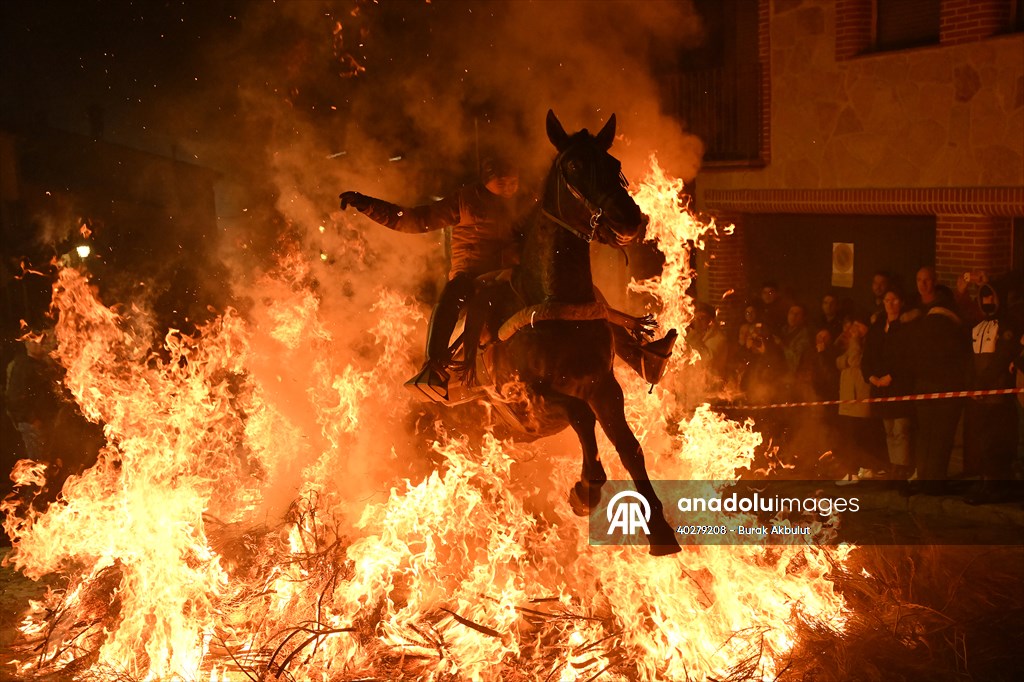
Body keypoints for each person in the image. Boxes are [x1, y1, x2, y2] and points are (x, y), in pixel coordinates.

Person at [340, 156, 527, 398]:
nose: (510, 186)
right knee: (451, 297)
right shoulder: (465, 200)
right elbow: (417, 220)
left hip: (511, 275)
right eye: (503, 181)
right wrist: (367, 205)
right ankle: (434, 367)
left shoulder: (524, 204)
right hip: (471, 275)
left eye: (514, 181)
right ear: (487, 179)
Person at [963, 282, 1020, 503]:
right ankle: (985, 481)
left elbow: (1001, 358)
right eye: (984, 298)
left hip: (997, 396)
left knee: (995, 441)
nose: (987, 302)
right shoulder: (977, 327)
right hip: (980, 397)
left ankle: (996, 485)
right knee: (981, 440)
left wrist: (982, 383)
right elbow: (970, 359)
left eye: (991, 297)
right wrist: (972, 385)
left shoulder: (1006, 326)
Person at [910, 285, 972, 485]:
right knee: (941, 436)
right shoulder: (954, 328)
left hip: (923, 388)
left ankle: (922, 476)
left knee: (925, 435)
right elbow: (963, 358)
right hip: (947, 390)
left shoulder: (923, 325)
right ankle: (936, 480)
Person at [863, 288, 915, 480]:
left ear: (901, 302)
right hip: (879, 385)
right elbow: (868, 353)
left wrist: (891, 375)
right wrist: (871, 376)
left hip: (898, 385)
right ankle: (894, 463)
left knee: (900, 428)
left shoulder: (905, 326)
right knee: (888, 428)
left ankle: (902, 465)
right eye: (887, 300)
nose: (890, 304)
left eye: (894, 300)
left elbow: (907, 356)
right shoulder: (877, 327)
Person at [835, 313, 884, 482]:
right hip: (847, 398)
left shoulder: (867, 344)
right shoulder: (849, 343)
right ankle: (855, 470)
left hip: (859, 397)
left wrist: (854, 343)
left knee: (860, 438)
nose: (854, 329)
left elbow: (855, 361)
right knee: (850, 438)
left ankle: (857, 471)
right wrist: (847, 357)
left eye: (859, 325)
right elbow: (839, 362)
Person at [4, 332, 61, 460]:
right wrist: (32, 420)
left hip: (45, 422)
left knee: (46, 462)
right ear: (27, 344)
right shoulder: (22, 365)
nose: (41, 343)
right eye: (35, 340)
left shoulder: (42, 365)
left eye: (42, 340)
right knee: (37, 464)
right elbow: (14, 398)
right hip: (32, 426)